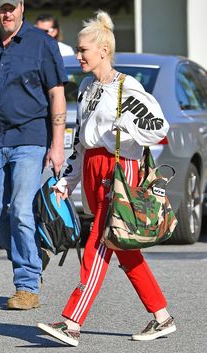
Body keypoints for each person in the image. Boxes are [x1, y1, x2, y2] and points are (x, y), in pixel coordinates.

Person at [36, 10, 177, 346]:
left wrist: (126, 125)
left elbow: (159, 126)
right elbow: (83, 142)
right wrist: (65, 181)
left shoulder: (127, 86)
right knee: (123, 247)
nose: (78, 54)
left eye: (83, 49)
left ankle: (71, 322)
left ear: (103, 51)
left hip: (117, 170)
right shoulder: (87, 87)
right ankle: (162, 317)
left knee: (97, 245)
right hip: (92, 169)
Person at [0, 0, 67, 310]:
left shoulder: (42, 44)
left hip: (30, 138)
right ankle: (33, 255)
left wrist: (57, 144)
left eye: (12, 8)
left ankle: (26, 285)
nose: (7, 14)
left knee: (21, 209)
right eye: (2, 8)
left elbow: (56, 94)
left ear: (23, 7)